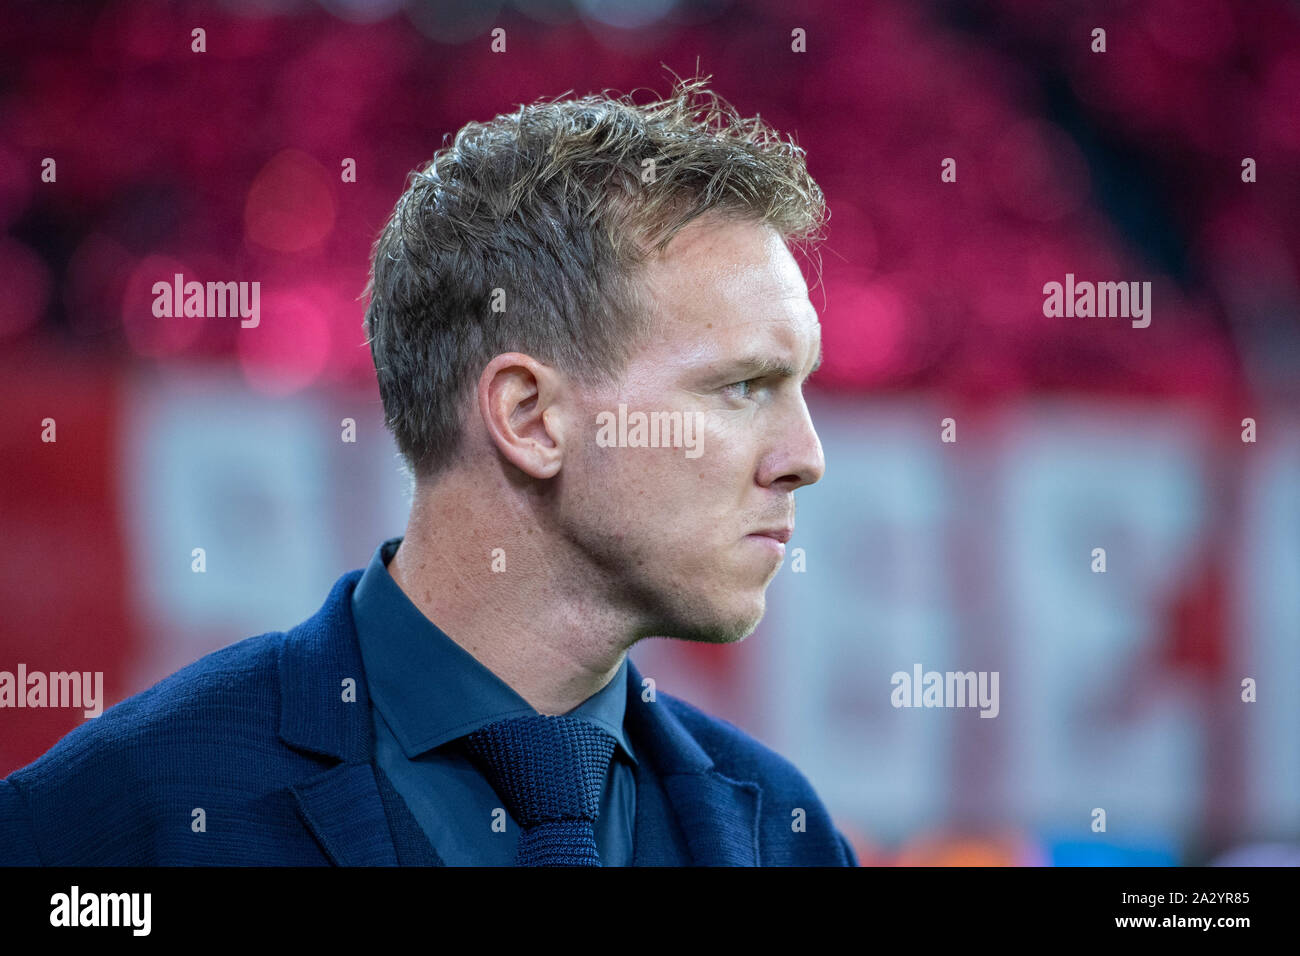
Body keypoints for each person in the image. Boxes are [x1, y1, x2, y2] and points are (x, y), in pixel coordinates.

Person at [0, 76, 856, 866]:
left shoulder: (786, 833)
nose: (805, 459)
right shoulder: (111, 822)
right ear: (528, 417)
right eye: (744, 386)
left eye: (798, 387)